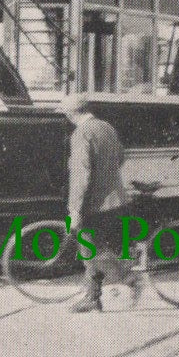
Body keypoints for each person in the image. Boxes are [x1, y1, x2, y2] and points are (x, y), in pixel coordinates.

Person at [61, 94, 131, 312]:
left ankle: (128, 280)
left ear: (72, 114)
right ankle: (93, 296)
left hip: (96, 202)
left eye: (66, 114)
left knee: (92, 248)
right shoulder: (105, 127)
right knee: (90, 248)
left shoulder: (81, 133)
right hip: (116, 199)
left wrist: (74, 209)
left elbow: (81, 175)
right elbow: (120, 156)